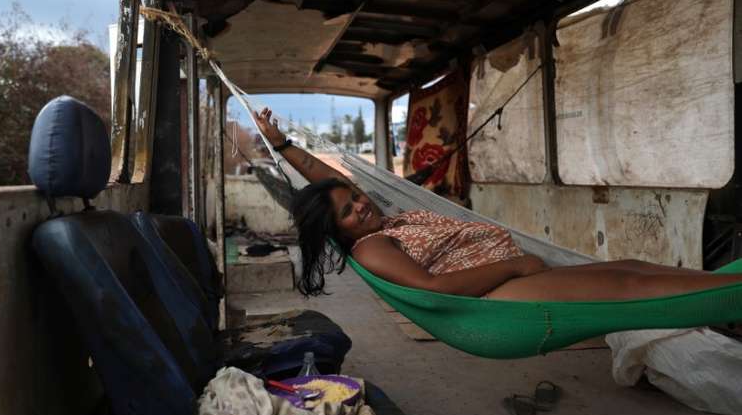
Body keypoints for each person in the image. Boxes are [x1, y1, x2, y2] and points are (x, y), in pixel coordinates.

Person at [254, 108, 742, 300]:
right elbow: (434, 286)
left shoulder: (387, 219)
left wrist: (282, 146)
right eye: (348, 213)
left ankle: (728, 283)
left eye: (356, 198)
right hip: (501, 298)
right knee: (627, 284)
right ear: (340, 233)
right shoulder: (371, 248)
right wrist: (510, 267)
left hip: (516, 273)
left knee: (630, 266)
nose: (360, 205)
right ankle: (730, 291)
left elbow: (331, 178)